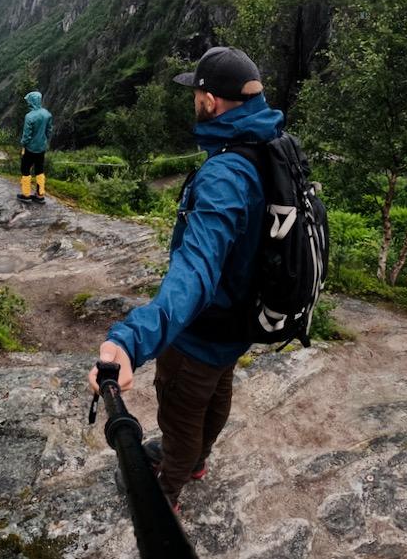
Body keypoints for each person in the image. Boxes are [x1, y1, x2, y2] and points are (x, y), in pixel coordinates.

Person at [85, 46, 283, 511]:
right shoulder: (267, 143)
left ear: (210, 102)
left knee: (180, 410)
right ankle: (197, 460)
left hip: (203, 325)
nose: (193, 100)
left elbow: (196, 270)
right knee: (215, 392)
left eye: (195, 93)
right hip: (241, 315)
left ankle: (168, 490)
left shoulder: (224, 175)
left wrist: (132, 340)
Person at [18, 90, 53, 204]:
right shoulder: (47, 114)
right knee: (39, 170)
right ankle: (40, 195)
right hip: (41, 148)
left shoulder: (29, 116)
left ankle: (26, 194)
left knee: (25, 169)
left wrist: (23, 144)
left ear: (31, 101)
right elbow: (49, 131)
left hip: (30, 148)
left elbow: (26, 135)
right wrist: (44, 141)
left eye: (29, 101)